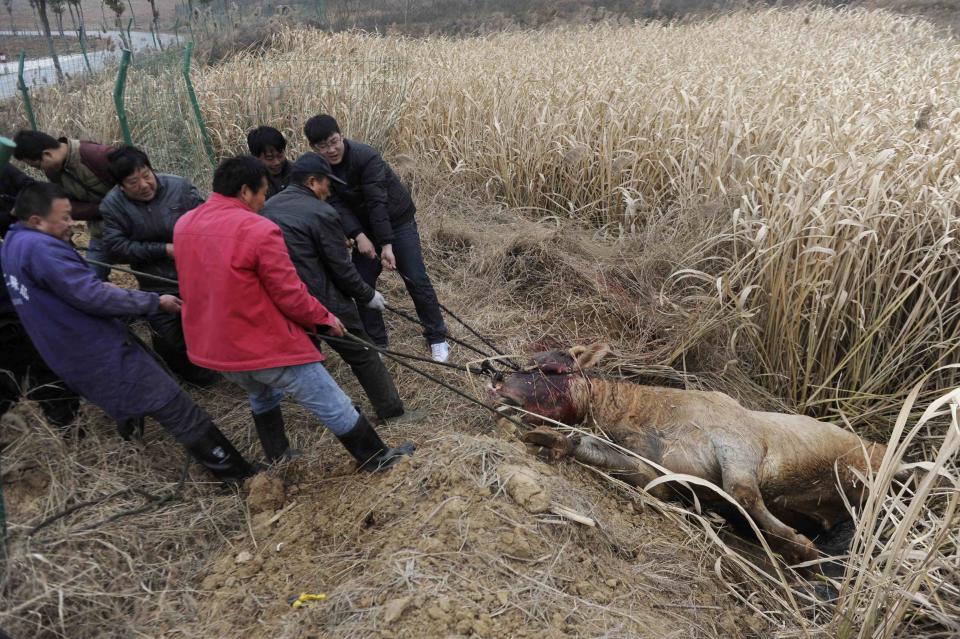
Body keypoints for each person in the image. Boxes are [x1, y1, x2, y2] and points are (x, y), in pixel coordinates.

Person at [1, 183, 255, 483]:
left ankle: (134, 452)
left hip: (69, 348)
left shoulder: (13, 243)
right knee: (175, 406)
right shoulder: (42, 249)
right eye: (65, 217)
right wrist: (153, 301)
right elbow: (91, 295)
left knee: (132, 398)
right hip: (96, 349)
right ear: (36, 220)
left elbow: (74, 290)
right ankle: (236, 475)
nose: (73, 223)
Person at [173, 155, 415, 469]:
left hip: (214, 349)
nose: (264, 201)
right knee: (333, 402)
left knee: (261, 394)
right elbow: (290, 294)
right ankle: (377, 458)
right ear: (246, 191)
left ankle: (279, 456)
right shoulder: (258, 229)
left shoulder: (184, 224)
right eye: (262, 193)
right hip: (261, 344)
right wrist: (325, 318)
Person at [262, 152, 424, 424]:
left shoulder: (268, 207)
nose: (330, 189)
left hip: (282, 299)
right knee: (363, 354)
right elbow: (341, 269)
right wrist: (368, 294)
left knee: (307, 357)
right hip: (321, 299)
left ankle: (328, 412)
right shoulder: (321, 211)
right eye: (327, 183)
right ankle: (392, 412)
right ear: (313, 182)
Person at [303, 114, 451, 362]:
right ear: (313, 148)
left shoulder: (365, 156)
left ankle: (437, 336)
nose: (331, 150)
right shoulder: (319, 168)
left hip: (396, 219)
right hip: (363, 227)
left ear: (341, 135)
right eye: (323, 146)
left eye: (334, 141)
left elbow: (377, 202)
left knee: (415, 277)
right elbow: (336, 203)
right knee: (362, 283)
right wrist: (358, 235)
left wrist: (386, 245)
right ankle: (378, 343)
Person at [100, 145, 218, 386]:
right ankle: (199, 379)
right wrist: (163, 250)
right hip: (156, 282)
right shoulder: (111, 206)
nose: (144, 185)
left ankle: (222, 367)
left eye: (146, 176)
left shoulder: (179, 187)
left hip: (197, 274)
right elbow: (115, 247)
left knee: (212, 324)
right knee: (169, 340)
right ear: (120, 186)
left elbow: (208, 221)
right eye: (133, 182)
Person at [0, 163, 80, 430]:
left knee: (41, 354)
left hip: (15, 276)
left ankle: (67, 422)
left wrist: (20, 210)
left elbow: (30, 188)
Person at [12, 130, 116, 281]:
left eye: (39, 166)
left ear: (47, 154)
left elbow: (135, 183)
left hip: (133, 226)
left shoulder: (95, 156)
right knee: (91, 279)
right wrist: (100, 210)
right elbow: (69, 205)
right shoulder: (54, 172)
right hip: (101, 232)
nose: (42, 170)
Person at [247, 125, 291, 199]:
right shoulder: (248, 179)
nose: (277, 162)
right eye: (269, 158)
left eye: (280, 156)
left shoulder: (296, 173)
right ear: (255, 157)